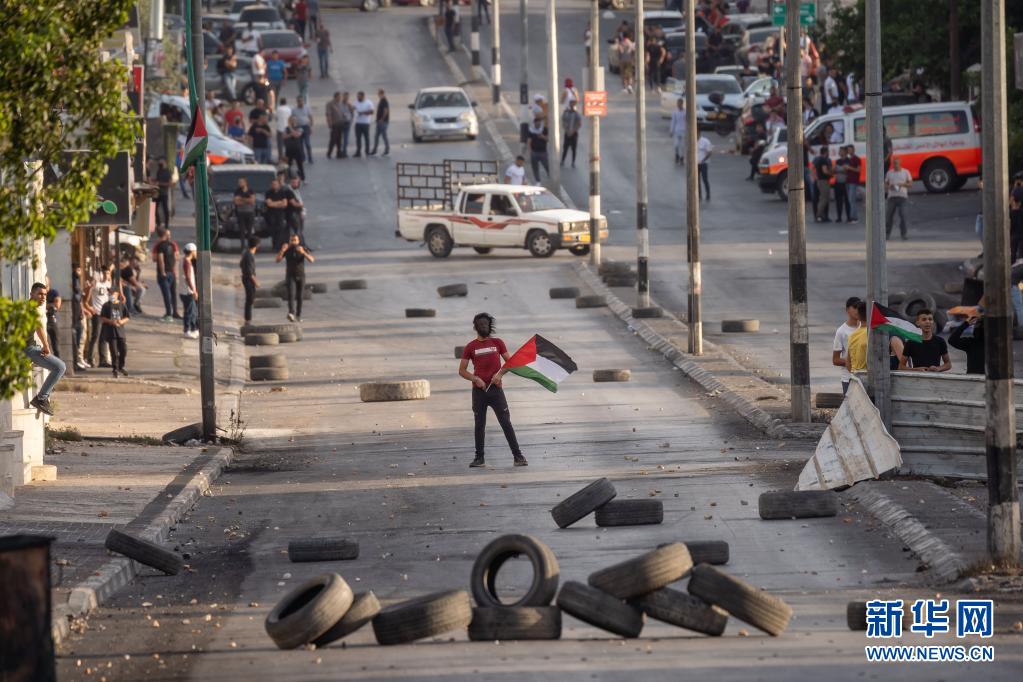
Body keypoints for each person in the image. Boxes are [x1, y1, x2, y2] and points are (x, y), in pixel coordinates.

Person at [458, 312, 527, 468]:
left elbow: (511, 362)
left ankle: (518, 456)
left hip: (496, 390)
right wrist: (475, 379)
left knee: (505, 422)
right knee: (479, 425)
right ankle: (479, 458)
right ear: (475, 327)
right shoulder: (470, 347)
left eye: (486, 324)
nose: (483, 326)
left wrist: (500, 374)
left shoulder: (498, 343)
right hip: (479, 392)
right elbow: (462, 370)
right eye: (480, 324)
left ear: (490, 326)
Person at [25, 283, 66, 415]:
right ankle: (41, 398)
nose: (43, 297)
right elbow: (39, 328)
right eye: (39, 294)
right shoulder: (30, 309)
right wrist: (46, 346)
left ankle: (45, 394)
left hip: (29, 347)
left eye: (45, 294)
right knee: (60, 367)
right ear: (31, 294)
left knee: (54, 365)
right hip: (26, 350)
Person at [276, 233, 314, 322]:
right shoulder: (287, 249)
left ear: (298, 241)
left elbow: (312, 260)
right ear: (289, 241)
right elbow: (277, 260)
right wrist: (282, 250)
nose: (293, 242)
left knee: (300, 296)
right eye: (291, 240)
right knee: (291, 295)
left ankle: (298, 315)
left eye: (295, 240)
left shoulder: (303, 248)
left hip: (301, 276)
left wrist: (303, 252)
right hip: (290, 276)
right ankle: (291, 313)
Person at [84, 263, 113, 367]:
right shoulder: (96, 284)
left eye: (108, 273)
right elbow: (86, 299)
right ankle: (90, 359)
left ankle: (103, 360)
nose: (106, 276)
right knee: (95, 336)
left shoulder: (108, 284)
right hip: (97, 313)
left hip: (106, 314)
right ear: (101, 274)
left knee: (104, 337)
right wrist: (90, 308)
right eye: (104, 273)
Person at [832, 296, 861, 394]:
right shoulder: (841, 331)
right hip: (848, 379)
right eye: (854, 307)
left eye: (859, 308)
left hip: (864, 377)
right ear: (847, 310)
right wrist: (851, 362)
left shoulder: (865, 328)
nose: (857, 310)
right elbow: (835, 360)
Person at [99, 290, 129, 378]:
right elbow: (102, 318)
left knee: (123, 350)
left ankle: (121, 366)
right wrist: (110, 321)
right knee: (114, 352)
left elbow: (127, 317)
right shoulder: (106, 305)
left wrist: (122, 321)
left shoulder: (122, 305)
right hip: (111, 332)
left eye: (113, 294)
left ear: (117, 294)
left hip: (120, 332)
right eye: (110, 294)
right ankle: (115, 369)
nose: (112, 295)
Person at [152, 228, 179, 321]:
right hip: (172, 272)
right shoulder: (172, 244)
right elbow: (176, 257)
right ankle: (174, 312)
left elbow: (160, 260)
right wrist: (174, 270)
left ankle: (168, 314)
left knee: (166, 294)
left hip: (164, 273)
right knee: (173, 293)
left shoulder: (159, 246)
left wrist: (163, 271)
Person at [948, 306, 984, 375]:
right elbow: (952, 340)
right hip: (974, 378)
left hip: (974, 378)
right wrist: (966, 324)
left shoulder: (971, 343)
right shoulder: (971, 342)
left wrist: (966, 324)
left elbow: (952, 340)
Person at [885, 156, 912, 239]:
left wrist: (902, 184)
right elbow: (885, 184)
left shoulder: (905, 172)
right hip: (892, 197)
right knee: (888, 216)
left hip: (902, 196)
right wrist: (889, 187)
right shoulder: (889, 173)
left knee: (903, 215)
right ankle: (886, 234)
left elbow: (910, 184)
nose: (895, 165)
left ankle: (904, 234)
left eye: (896, 163)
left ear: (900, 163)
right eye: (894, 163)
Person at [264, 178, 293, 251]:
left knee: (280, 229)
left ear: (279, 185)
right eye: (273, 184)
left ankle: (278, 245)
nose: (274, 185)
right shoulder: (268, 193)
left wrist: (274, 203)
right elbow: (269, 204)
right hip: (271, 214)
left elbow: (285, 204)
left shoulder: (282, 192)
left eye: (276, 184)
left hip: (280, 214)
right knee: (273, 230)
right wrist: (279, 203)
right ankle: (274, 244)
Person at [180, 243, 200, 339]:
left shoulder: (184, 260)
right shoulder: (187, 263)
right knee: (189, 312)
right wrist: (194, 290)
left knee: (192, 311)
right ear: (192, 252)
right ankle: (187, 330)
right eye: (195, 251)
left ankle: (193, 329)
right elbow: (188, 278)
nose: (196, 253)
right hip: (187, 291)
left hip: (185, 290)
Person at [240, 236, 261, 323]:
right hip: (248, 279)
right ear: (256, 245)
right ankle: (248, 319)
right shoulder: (249, 255)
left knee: (250, 298)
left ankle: (248, 319)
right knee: (250, 299)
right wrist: (256, 282)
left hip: (246, 278)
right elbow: (249, 272)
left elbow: (241, 264)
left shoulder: (247, 253)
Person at [846, 301, 868, 375]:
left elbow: (848, 363)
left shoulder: (851, 336)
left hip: (854, 377)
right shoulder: (871, 334)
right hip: (867, 377)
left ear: (858, 316)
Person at [292, 95, 314, 164]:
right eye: (299, 101)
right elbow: (292, 119)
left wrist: (311, 126)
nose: (300, 102)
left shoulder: (307, 108)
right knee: (300, 144)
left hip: (306, 126)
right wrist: (293, 128)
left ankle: (310, 158)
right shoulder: (294, 109)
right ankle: (302, 158)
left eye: (301, 101)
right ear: (297, 102)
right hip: (299, 127)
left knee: (307, 143)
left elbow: (310, 117)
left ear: (303, 101)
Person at [234, 177, 257, 242]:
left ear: (245, 183)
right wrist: (248, 200)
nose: (239, 183)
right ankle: (242, 245)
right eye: (239, 182)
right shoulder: (237, 191)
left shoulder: (251, 191)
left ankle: (250, 245)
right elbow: (236, 202)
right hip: (240, 213)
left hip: (250, 213)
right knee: (242, 230)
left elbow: (252, 201)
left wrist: (241, 199)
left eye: (241, 182)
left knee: (250, 230)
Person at [813, 146, 833, 222]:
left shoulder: (818, 159)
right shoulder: (824, 160)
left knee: (822, 198)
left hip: (820, 181)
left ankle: (821, 215)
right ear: (825, 152)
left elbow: (813, 168)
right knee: (824, 199)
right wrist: (831, 174)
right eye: (828, 151)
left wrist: (815, 177)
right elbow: (824, 171)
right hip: (824, 181)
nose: (828, 153)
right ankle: (819, 215)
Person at [284, 116, 306, 181]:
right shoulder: (286, 128)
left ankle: (303, 179)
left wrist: (290, 132)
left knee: (300, 165)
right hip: (289, 149)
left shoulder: (299, 128)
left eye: (294, 120)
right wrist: (291, 134)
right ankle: (288, 178)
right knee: (288, 165)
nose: (293, 121)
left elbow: (297, 135)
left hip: (297, 149)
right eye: (291, 120)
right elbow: (284, 136)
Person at [560, 100, 582, 168]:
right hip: (567, 133)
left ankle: (573, 162)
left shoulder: (577, 114)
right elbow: (563, 121)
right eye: (571, 104)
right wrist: (566, 130)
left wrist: (573, 131)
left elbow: (579, 124)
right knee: (565, 148)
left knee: (574, 149)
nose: (572, 106)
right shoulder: (566, 112)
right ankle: (562, 160)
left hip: (574, 133)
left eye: (573, 104)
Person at [527, 117, 549, 183]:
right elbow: (529, 141)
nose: (538, 124)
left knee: (547, 165)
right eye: (537, 123)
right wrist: (530, 151)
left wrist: (543, 136)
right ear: (534, 123)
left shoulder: (544, 129)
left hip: (543, 152)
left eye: (539, 123)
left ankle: (550, 174)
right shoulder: (531, 130)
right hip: (534, 152)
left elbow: (548, 139)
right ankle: (538, 180)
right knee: (535, 168)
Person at [352, 91, 374, 158]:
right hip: (358, 123)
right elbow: (352, 110)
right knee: (358, 138)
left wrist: (362, 113)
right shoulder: (355, 102)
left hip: (366, 123)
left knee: (366, 138)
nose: (358, 97)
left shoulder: (368, 102)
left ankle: (367, 151)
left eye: (359, 96)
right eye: (357, 96)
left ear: (363, 96)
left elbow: (372, 111)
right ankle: (358, 152)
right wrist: (353, 110)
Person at [833, 146, 850, 223]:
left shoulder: (848, 160)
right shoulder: (837, 161)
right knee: (838, 201)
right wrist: (841, 169)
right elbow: (834, 170)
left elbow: (846, 170)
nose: (839, 152)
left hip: (846, 183)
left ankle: (849, 217)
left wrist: (838, 169)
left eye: (841, 151)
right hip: (838, 183)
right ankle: (839, 217)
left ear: (845, 152)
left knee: (847, 201)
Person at [44, 281, 61, 359]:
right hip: (43, 320)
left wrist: (46, 305)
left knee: (56, 346)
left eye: (46, 280)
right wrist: (51, 305)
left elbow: (57, 305)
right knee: (44, 344)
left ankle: (58, 363)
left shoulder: (54, 292)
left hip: (52, 320)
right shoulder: (41, 293)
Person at [371, 89, 390, 156]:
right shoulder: (381, 100)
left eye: (378, 93)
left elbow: (386, 110)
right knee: (376, 136)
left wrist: (382, 119)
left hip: (383, 122)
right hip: (379, 121)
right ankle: (374, 150)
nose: (378, 95)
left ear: (381, 93)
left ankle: (387, 149)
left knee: (384, 136)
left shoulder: (384, 100)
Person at [844, 145, 860, 223]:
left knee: (852, 199)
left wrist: (849, 168)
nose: (849, 151)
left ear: (853, 150)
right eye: (848, 150)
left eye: (850, 149)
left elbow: (858, 170)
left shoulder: (857, 159)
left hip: (853, 181)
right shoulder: (847, 159)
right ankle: (851, 216)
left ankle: (854, 217)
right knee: (849, 200)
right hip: (847, 181)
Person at [154, 159, 172, 229]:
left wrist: (159, 183)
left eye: (162, 162)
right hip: (158, 193)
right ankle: (158, 223)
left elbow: (169, 184)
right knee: (155, 209)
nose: (160, 163)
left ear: (165, 163)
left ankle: (166, 225)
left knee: (165, 210)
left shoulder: (168, 172)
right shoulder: (159, 171)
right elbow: (157, 180)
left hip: (164, 193)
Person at [696, 132, 713, 201]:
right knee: (696, 180)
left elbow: (710, 152)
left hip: (703, 163)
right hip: (696, 164)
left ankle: (708, 194)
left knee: (704, 179)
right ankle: (698, 195)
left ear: (699, 134)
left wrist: (703, 160)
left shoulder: (705, 141)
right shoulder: (693, 141)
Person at [275, 96, 293, 161]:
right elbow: (291, 118)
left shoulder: (278, 109)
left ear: (280, 102)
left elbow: (276, 118)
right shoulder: (289, 109)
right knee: (288, 144)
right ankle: (288, 157)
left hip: (280, 128)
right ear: (286, 102)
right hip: (287, 128)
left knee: (280, 144)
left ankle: (280, 158)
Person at [669, 98, 686, 166]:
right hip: (677, 130)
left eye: (679, 103)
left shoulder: (685, 112)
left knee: (682, 145)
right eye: (677, 103)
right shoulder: (675, 112)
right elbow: (673, 122)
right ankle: (677, 155)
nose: (678, 105)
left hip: (684, 131)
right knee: (676, 145)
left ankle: (682, 157)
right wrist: (671, 131)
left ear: (682, 104)